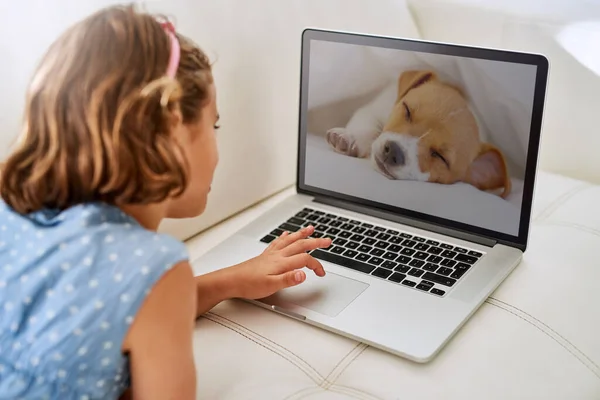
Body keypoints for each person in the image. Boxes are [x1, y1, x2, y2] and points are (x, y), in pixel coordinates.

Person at [0, 4, 331, 399]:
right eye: (214, 125)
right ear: (172, 130)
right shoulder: (154, 271)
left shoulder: (14, 210)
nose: (217, 143)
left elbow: (117, 307)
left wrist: (233, 280)